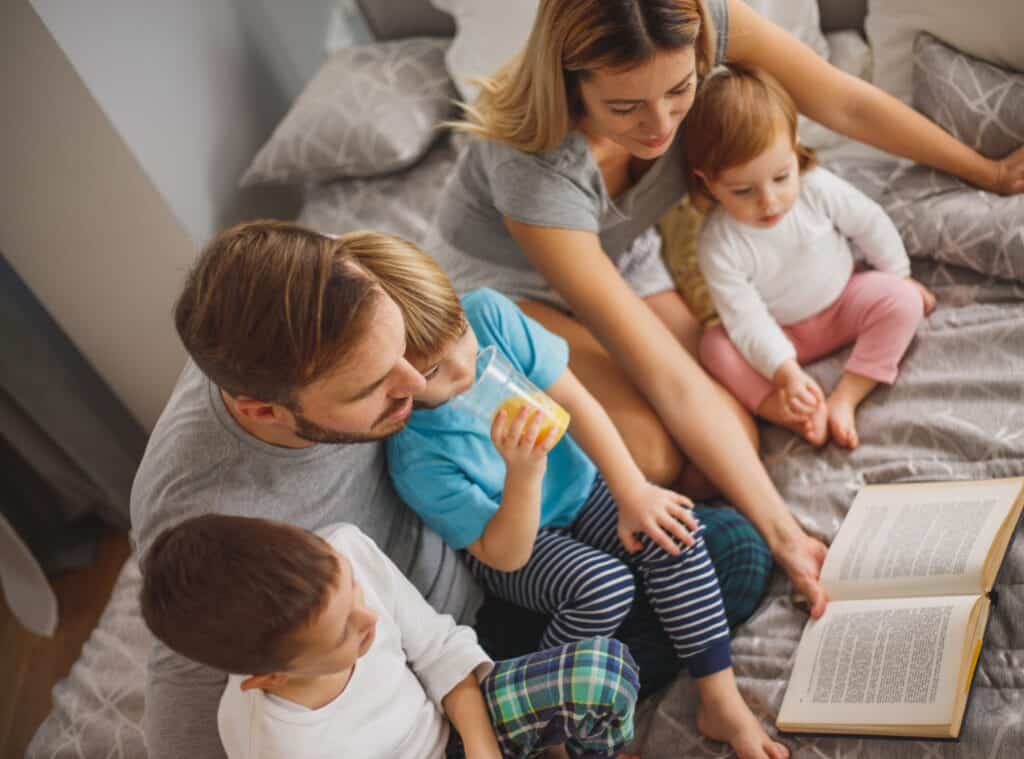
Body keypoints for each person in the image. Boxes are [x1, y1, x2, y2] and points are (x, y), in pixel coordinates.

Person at [428, 0, 1024, 618]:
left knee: (729, 441)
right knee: (655, 454)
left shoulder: (702, 20)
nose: (660, 126)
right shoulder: (532, 166)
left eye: (681, 90)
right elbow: (667, 375)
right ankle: (571, 588)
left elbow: (842, 101)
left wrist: (988, 172)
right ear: (571, 84)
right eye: (625, 107)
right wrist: (786, 536)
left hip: (625, 257)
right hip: (507, 294)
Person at [132, 219, 771, 759]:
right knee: (610, 635)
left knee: (733, 551)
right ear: (264, 411)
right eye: (374, 386)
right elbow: (189, 687)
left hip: (496, 577)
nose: (426, 389)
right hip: (447, 643)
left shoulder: (328, 279)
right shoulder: (202, 511)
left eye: (411, 354)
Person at [359, 235, 788, 759]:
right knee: (603, 586)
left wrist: (633, 490)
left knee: (675, 529)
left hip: (584, 493)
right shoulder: (417, 454)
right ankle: (556, 731)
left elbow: (574, 399)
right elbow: (504, 554)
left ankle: (719, 700)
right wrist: (524, 472)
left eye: (459, 335)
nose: (464, 369)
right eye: (432, 372)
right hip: (515, 543)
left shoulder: (489, 315)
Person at [140, 514, 640, 759]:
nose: (369, 619)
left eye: (353, 590)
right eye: (342, 634)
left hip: (460, 721)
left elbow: (439, 649)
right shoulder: (275, 743)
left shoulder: (344, 549)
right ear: (269, 677)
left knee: (605, 672)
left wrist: (483, 749)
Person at [686, 64, 935, 449]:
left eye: (781, 177)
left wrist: (899, 274)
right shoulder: (718, 242)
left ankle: (845, 398)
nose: (769, 201)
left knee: (904, 300)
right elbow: (747, 319)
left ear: (794, 146)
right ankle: (788, 411)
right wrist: (785, 374)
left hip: (844, 301)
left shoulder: (817, 188)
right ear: (708, 181)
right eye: (743, 191)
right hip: (781, 333)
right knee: (714, 347)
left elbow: (869, 223)